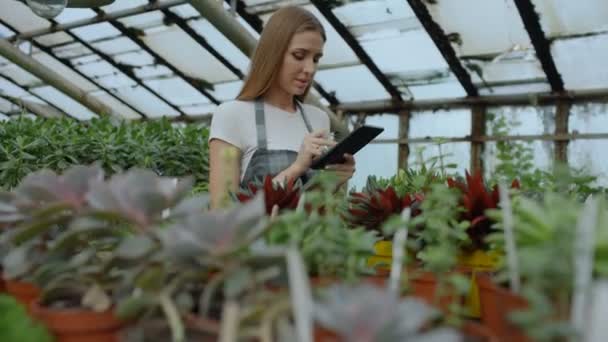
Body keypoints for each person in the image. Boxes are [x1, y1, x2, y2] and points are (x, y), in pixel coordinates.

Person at [208, 6, 356, 208]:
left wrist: (332, 182)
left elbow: (313, 206)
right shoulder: (232, 115)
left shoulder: (317, 119)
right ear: (273, 53)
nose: (310, 69)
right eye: (299, 55)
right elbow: (222, 209)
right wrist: (296, 168)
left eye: (316, 59)